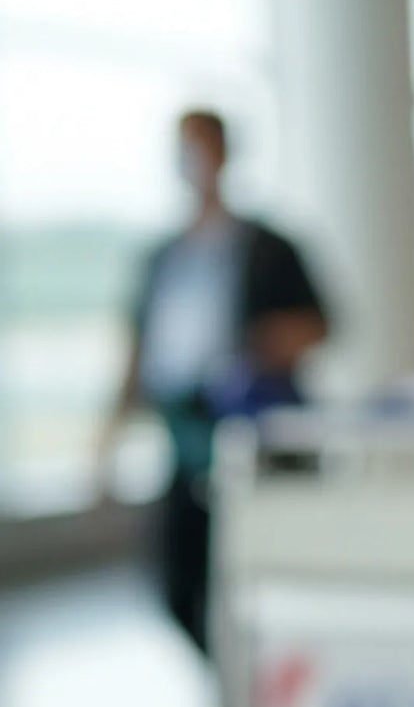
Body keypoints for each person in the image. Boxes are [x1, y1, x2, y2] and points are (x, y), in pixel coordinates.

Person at [100, 109, 329, 652]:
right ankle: (224, 673)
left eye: (202, 148)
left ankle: (254, 678)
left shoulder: (268, 248)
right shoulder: (163, 257)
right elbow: (138, 349)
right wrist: (108, 434)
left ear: (225, 154)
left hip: (253, 431)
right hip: (186, 435)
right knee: (177, 580)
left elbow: (319, 324)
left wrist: (258, 348)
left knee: (260, 572)